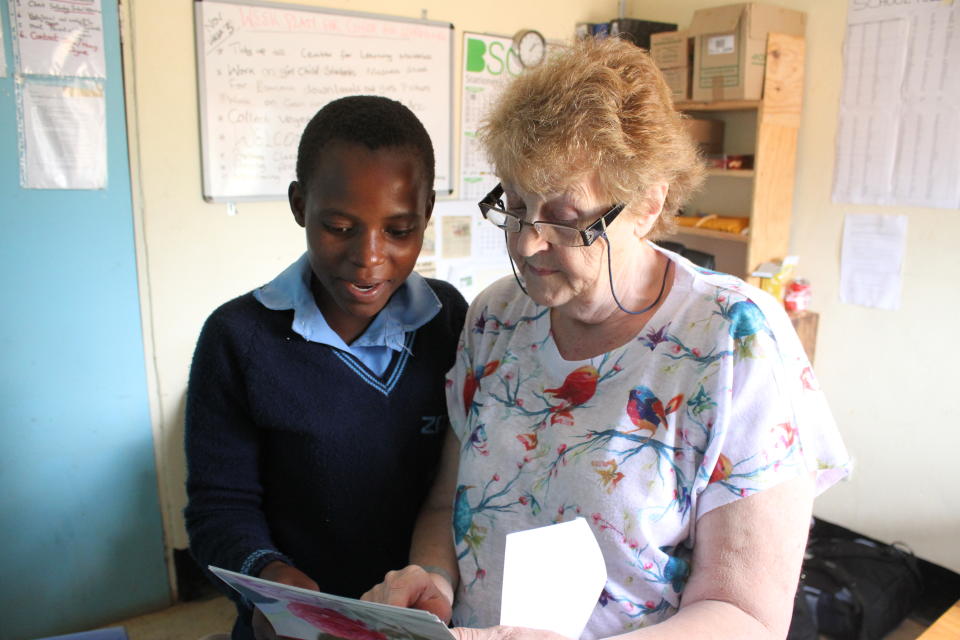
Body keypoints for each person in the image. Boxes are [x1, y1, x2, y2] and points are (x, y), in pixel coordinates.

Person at [361, 38, 849, 640]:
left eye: (564, 219)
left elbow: (747, 616)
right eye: (514, 205)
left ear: (646, 203)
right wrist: (433, 578)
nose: (526, 244)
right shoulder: (495, 318)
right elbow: (446, 502)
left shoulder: (733, 340)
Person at [184, 95, 468, 640]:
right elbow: (219, 507)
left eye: (400, 230)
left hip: (422, 619)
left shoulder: (451, 322)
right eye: (339, 227)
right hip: (294, 625)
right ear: (299, 205)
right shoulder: (238, 339)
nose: (369, 257)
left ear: (428, 212)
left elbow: (460, 484)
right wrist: (270, 581)